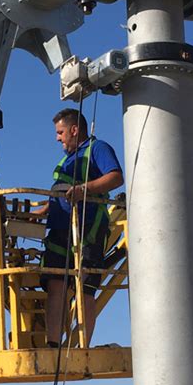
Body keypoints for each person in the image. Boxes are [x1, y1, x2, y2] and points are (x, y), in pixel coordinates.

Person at [35, 108, 123, 348]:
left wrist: (85, 189)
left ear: (74, 130)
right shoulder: (68, 158)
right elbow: (64, 189)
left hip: (87, 231)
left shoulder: (98, 148)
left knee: (84, 288)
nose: (57, 138)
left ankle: (81, 346)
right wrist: (46, 208)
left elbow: (115, 177)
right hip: (60, 230)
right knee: (56, 284)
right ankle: (54, 344)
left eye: (60, 132)